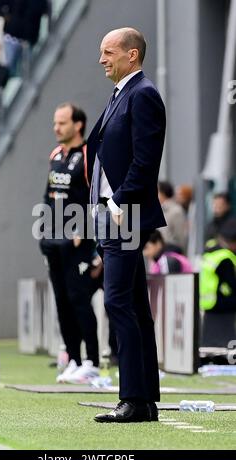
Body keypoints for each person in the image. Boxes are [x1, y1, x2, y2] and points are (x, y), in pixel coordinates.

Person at [87, 27, 166, 423]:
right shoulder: (123, 93)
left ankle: (133, 398)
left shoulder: (143, 94)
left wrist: (118, 203)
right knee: (133, 304)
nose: (102, 58)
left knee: (117, 301)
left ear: (131, 55)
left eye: (108, 51)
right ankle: (145, 400)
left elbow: (146, 161)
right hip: (113, 215)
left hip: (124, 216)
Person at [40, 102, 99, 384]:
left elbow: (95, 195)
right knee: (62, 301)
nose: (56, 128)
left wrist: (83, 231)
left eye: (61, 123)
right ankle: (73, 359)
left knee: (79, 299)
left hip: (77, 243)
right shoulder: (55, 154)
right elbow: (48, 195)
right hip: (54, 241)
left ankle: (93, 362)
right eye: (55, 123)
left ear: (78, 125)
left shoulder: (88, 155)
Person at [200, 217, 236, 348]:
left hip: (207, 303)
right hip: (220, 304)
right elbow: (231, 284)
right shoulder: (225, 257)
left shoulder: (210, 249)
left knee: (210, 341)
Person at [158, 180, 188, 252]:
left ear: (163, 193)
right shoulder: (160, 209)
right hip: (160, 255)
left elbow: (181, 238)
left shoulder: (176, 211)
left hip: (171, 255)